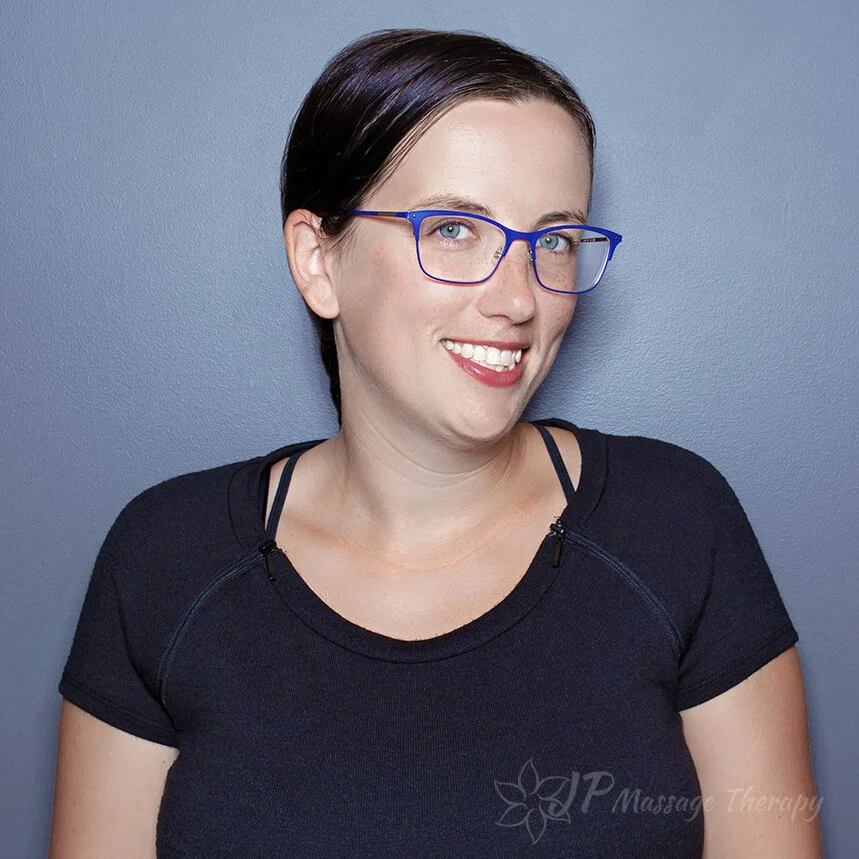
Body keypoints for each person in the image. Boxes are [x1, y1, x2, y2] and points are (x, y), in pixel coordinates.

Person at [49, 28, 823, 858]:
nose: (517, 300)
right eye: (453, 229)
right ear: (318, 260)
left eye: (553, 240)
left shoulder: (676, 526)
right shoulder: (166, 559)